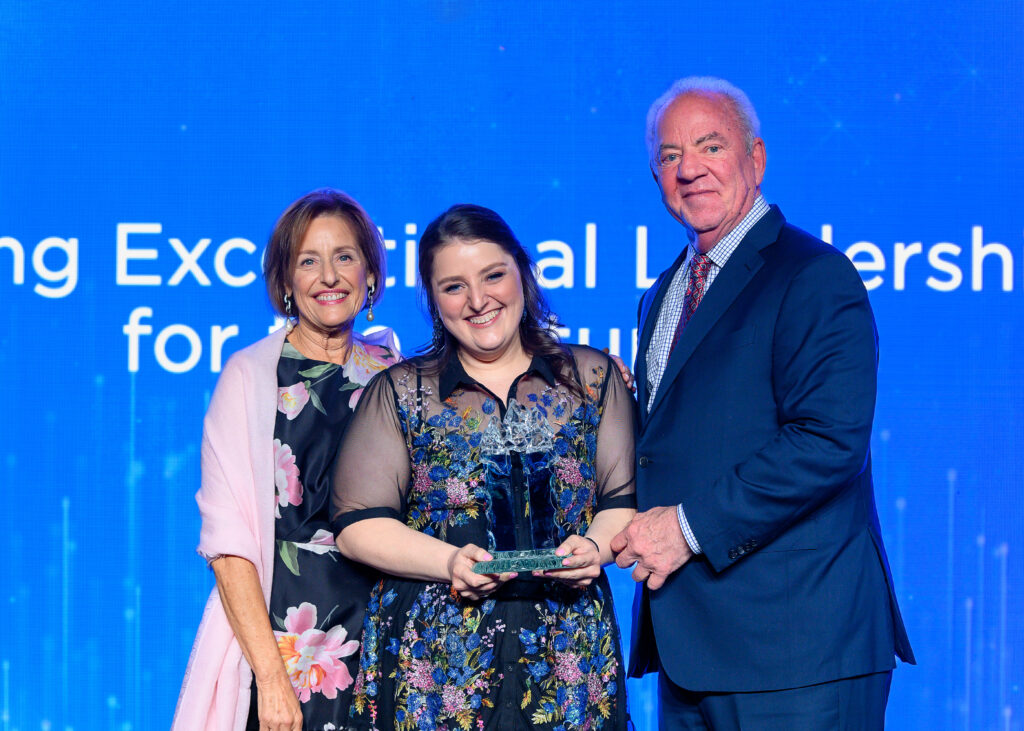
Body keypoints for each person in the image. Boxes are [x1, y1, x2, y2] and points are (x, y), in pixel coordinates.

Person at [610, 77, 915, 729]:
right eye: (669, 155)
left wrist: (684, 528)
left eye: (709, 145)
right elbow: (689, 436)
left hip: (797, 653)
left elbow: (828, 443)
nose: (689, 168)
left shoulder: (813, 275)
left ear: (756, 157)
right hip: (692, 652)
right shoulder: (661, 295)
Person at [331, 204, 636, 731]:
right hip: (435, 662)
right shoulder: (403, 391)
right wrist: (449, 562)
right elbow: (358, 525)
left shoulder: (592, 377)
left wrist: (596, 549)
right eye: (453, 287)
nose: (478, 301)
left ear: (522, 270)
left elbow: (620, 502)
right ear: (433, 298)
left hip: (569, 658)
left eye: (493, 275)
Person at [173, 189, 401, 731]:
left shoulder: (402, 375)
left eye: (345, 256)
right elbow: (229, 550)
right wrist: (272, 680)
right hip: (289, 660)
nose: (330, 276)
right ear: (285, 283)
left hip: (395, 649)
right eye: (308, 261)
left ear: (370, 274)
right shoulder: (250, 377)